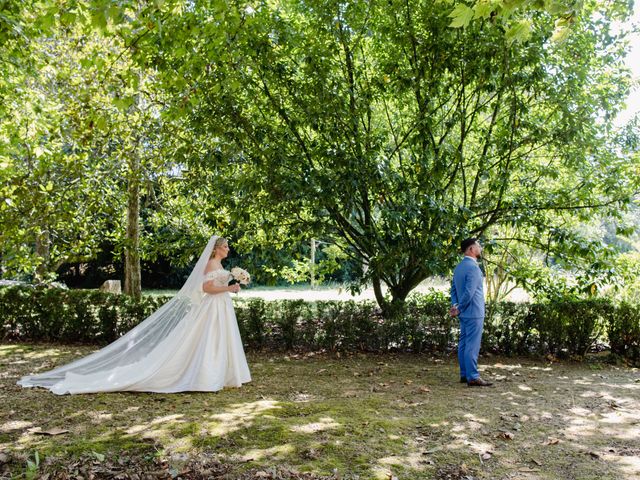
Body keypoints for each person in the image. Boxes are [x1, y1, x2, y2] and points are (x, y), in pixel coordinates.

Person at [17, 235, 251, 394]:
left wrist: (232, 283)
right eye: (225, 246)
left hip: (220, 308)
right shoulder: (211, 264)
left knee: (218, 341)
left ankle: (220, 375)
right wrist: (228, 287)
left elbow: (214, 286)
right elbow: (206, 289)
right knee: (206, 341)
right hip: (211, 308)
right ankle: (205, 376)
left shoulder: (220, 267)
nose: (228, 249)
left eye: (227, 247)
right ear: (215, 248)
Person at [449, 238, 493, 387]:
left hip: (463, 313)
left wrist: (455, 306)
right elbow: (469, 293)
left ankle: (464, 374)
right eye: (478, 246)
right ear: (471, 249)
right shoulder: (474, 268)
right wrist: (459, 307)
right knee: (472, 346)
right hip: (474, 312)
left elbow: (453, 290)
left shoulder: (459, 267)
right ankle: (473, 376)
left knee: (463, 344)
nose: (480, 248)